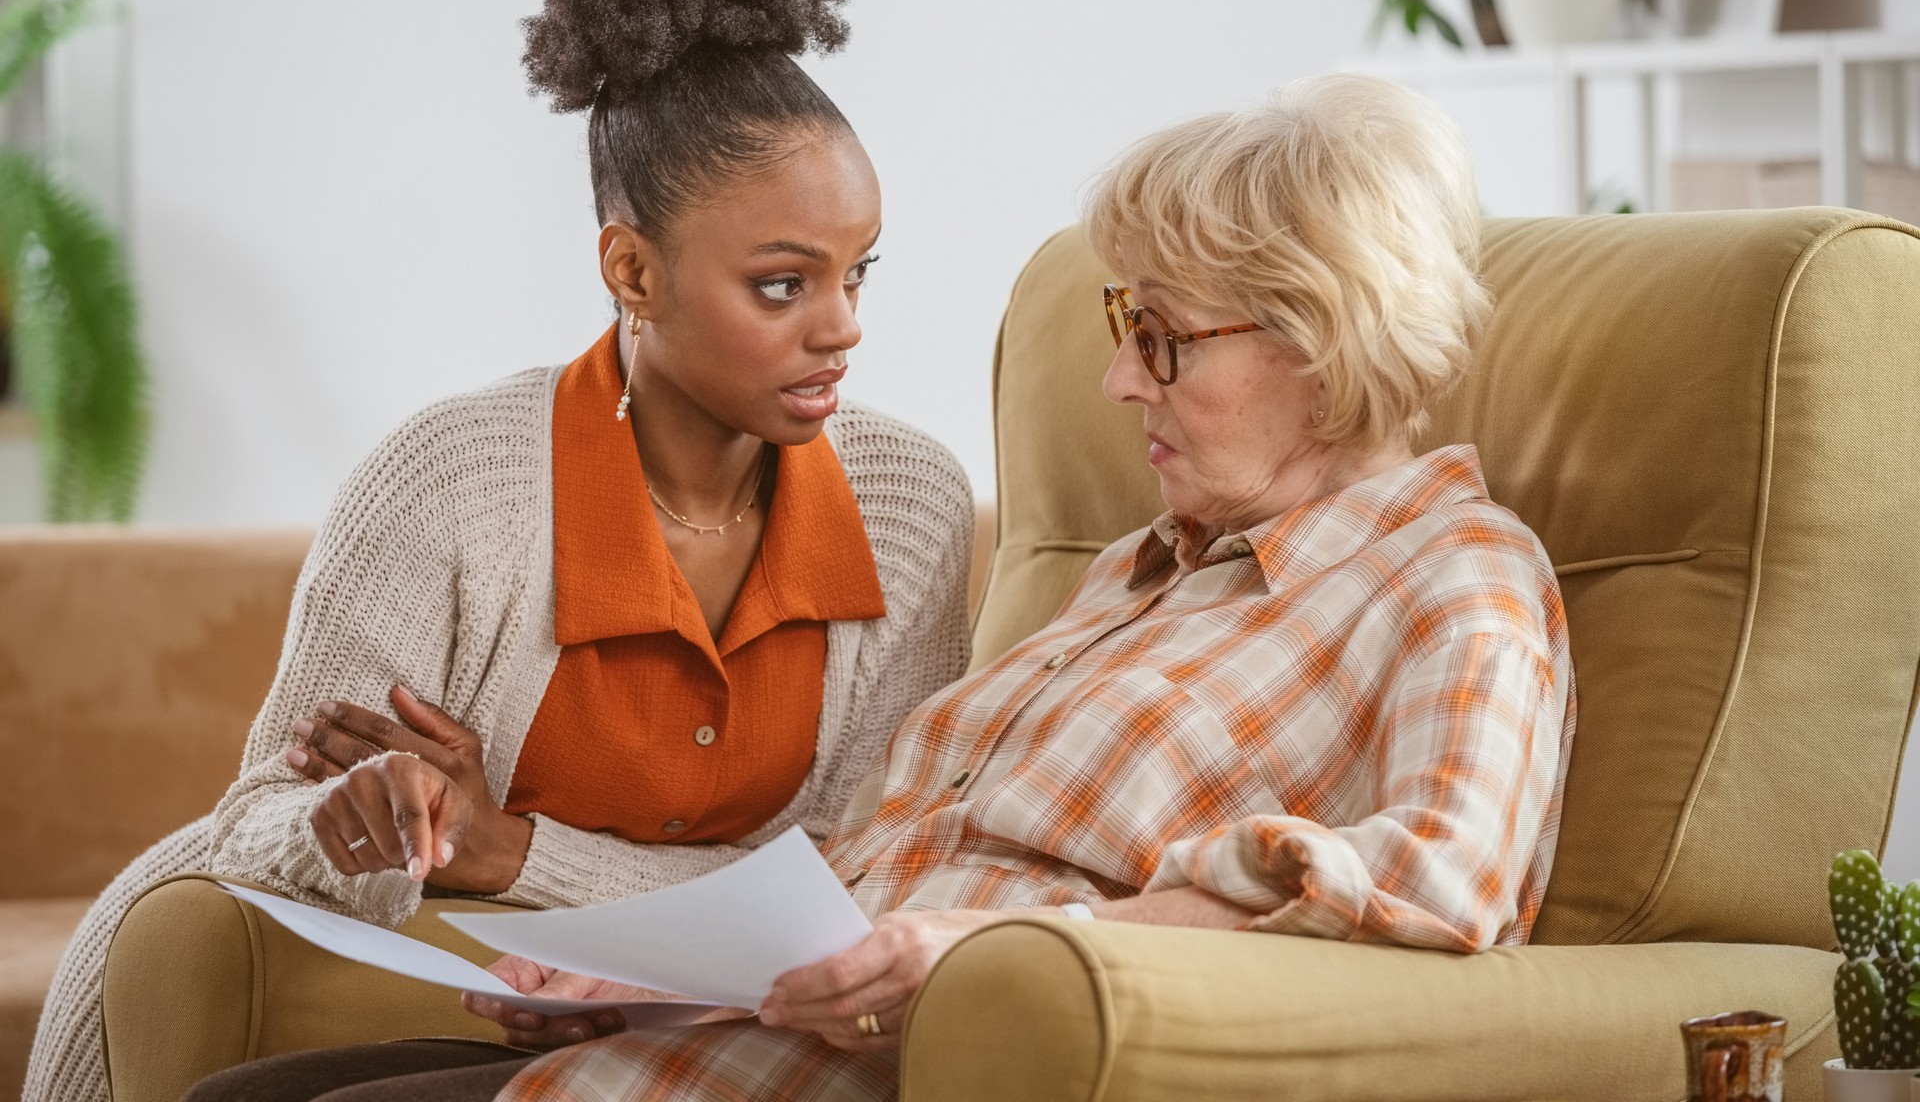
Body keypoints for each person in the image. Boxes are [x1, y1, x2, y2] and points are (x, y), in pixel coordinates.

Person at [190, 72, 1578, 1102]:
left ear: (1325, 342)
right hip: (725, 1040)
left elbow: (1450, 885)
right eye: (1118, 328)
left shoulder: (1455, 579)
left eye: (1159, 339)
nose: (1115, 381)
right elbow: (866, 866)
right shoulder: (1129, 577)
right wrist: (654, 968)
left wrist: (993, 948)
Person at [24, 0, 974, 1102]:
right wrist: (372, 817)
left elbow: (860, 872)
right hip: (414, 979)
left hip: (713, 1026)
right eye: (784, 285)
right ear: (631, 268)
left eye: (860, 273)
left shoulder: (911, 508)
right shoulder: (452, 483)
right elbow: (257, 812)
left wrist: (513, 848)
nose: (841, 327)